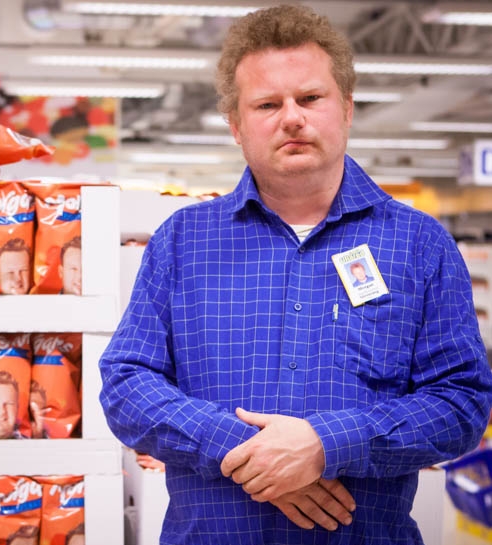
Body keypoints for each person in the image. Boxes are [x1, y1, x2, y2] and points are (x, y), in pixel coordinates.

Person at [98, 4, 492, 544]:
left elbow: (461, 403)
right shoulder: (182, 242)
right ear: (236, 126)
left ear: (346, 108)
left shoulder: (420, 244)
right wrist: (248, 451)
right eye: (267, 104)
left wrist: (326, 445)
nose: (291, 117)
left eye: (310, 98)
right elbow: (126, 386)